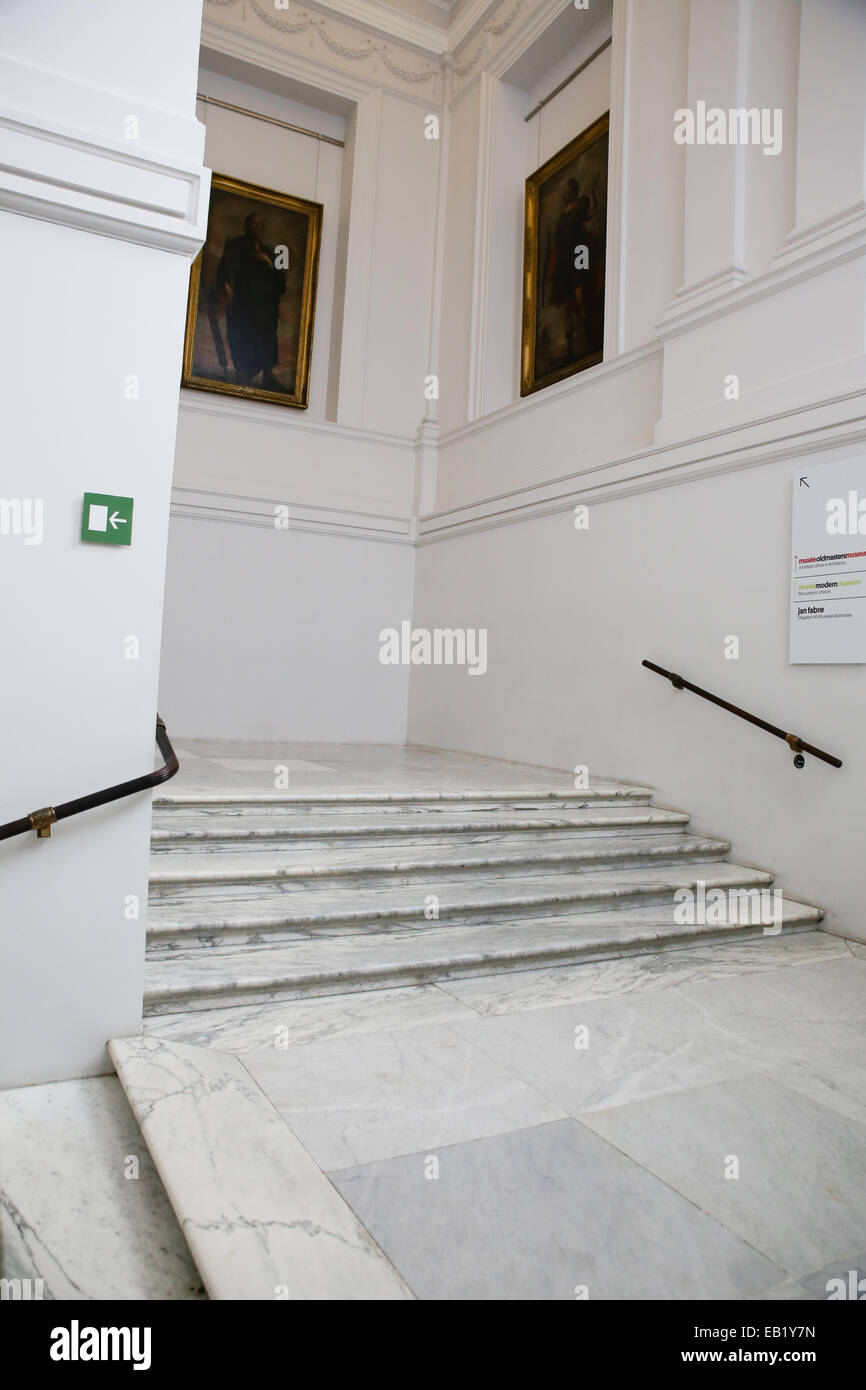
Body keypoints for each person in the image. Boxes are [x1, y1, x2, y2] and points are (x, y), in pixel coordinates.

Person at [216, 213, 287, 389]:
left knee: (266, 338)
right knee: (243, 338)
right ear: (247, 226)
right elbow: (225, 268)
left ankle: (268, 375)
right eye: (254, 224)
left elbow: (281, 281)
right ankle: (243, 374)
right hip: (244, 303)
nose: (258, 228)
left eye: (260, 224)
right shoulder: (236, 246)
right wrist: (225, 285)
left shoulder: (270, 252)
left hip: (265, 306)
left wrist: (268, 263)